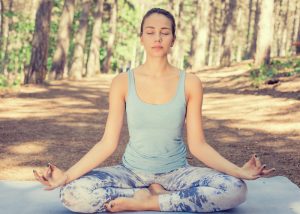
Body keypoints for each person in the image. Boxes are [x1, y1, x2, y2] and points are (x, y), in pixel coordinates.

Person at [33, 8, 275, 213]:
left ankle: (152, 201)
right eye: (150, 32)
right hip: (130, 174)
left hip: (177, 174)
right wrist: (67, 176)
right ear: (141, 38)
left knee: (235, 190)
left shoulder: (190, 82)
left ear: (173, 39)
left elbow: (198, 145)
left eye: (164, 32)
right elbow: (107, 143)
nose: (157, 38)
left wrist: (238, 171)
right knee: (72, 193)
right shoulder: (121, 82)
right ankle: (151, 195)